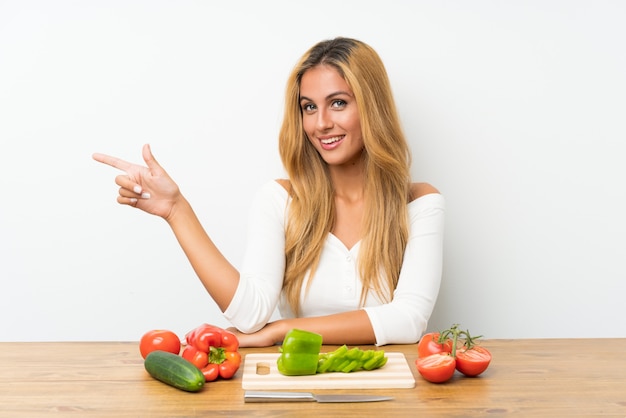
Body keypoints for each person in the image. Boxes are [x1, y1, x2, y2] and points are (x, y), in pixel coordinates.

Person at [93, 37, 445, 347]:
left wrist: (282, 330)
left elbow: (409, 319)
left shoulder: (419, 203)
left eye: (338, 103)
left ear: (372, 107)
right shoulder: (280, 200)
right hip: (299, 382)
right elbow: (250, 314)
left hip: (391, 388)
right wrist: (176, 210)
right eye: (309, 107)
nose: (321, 123)